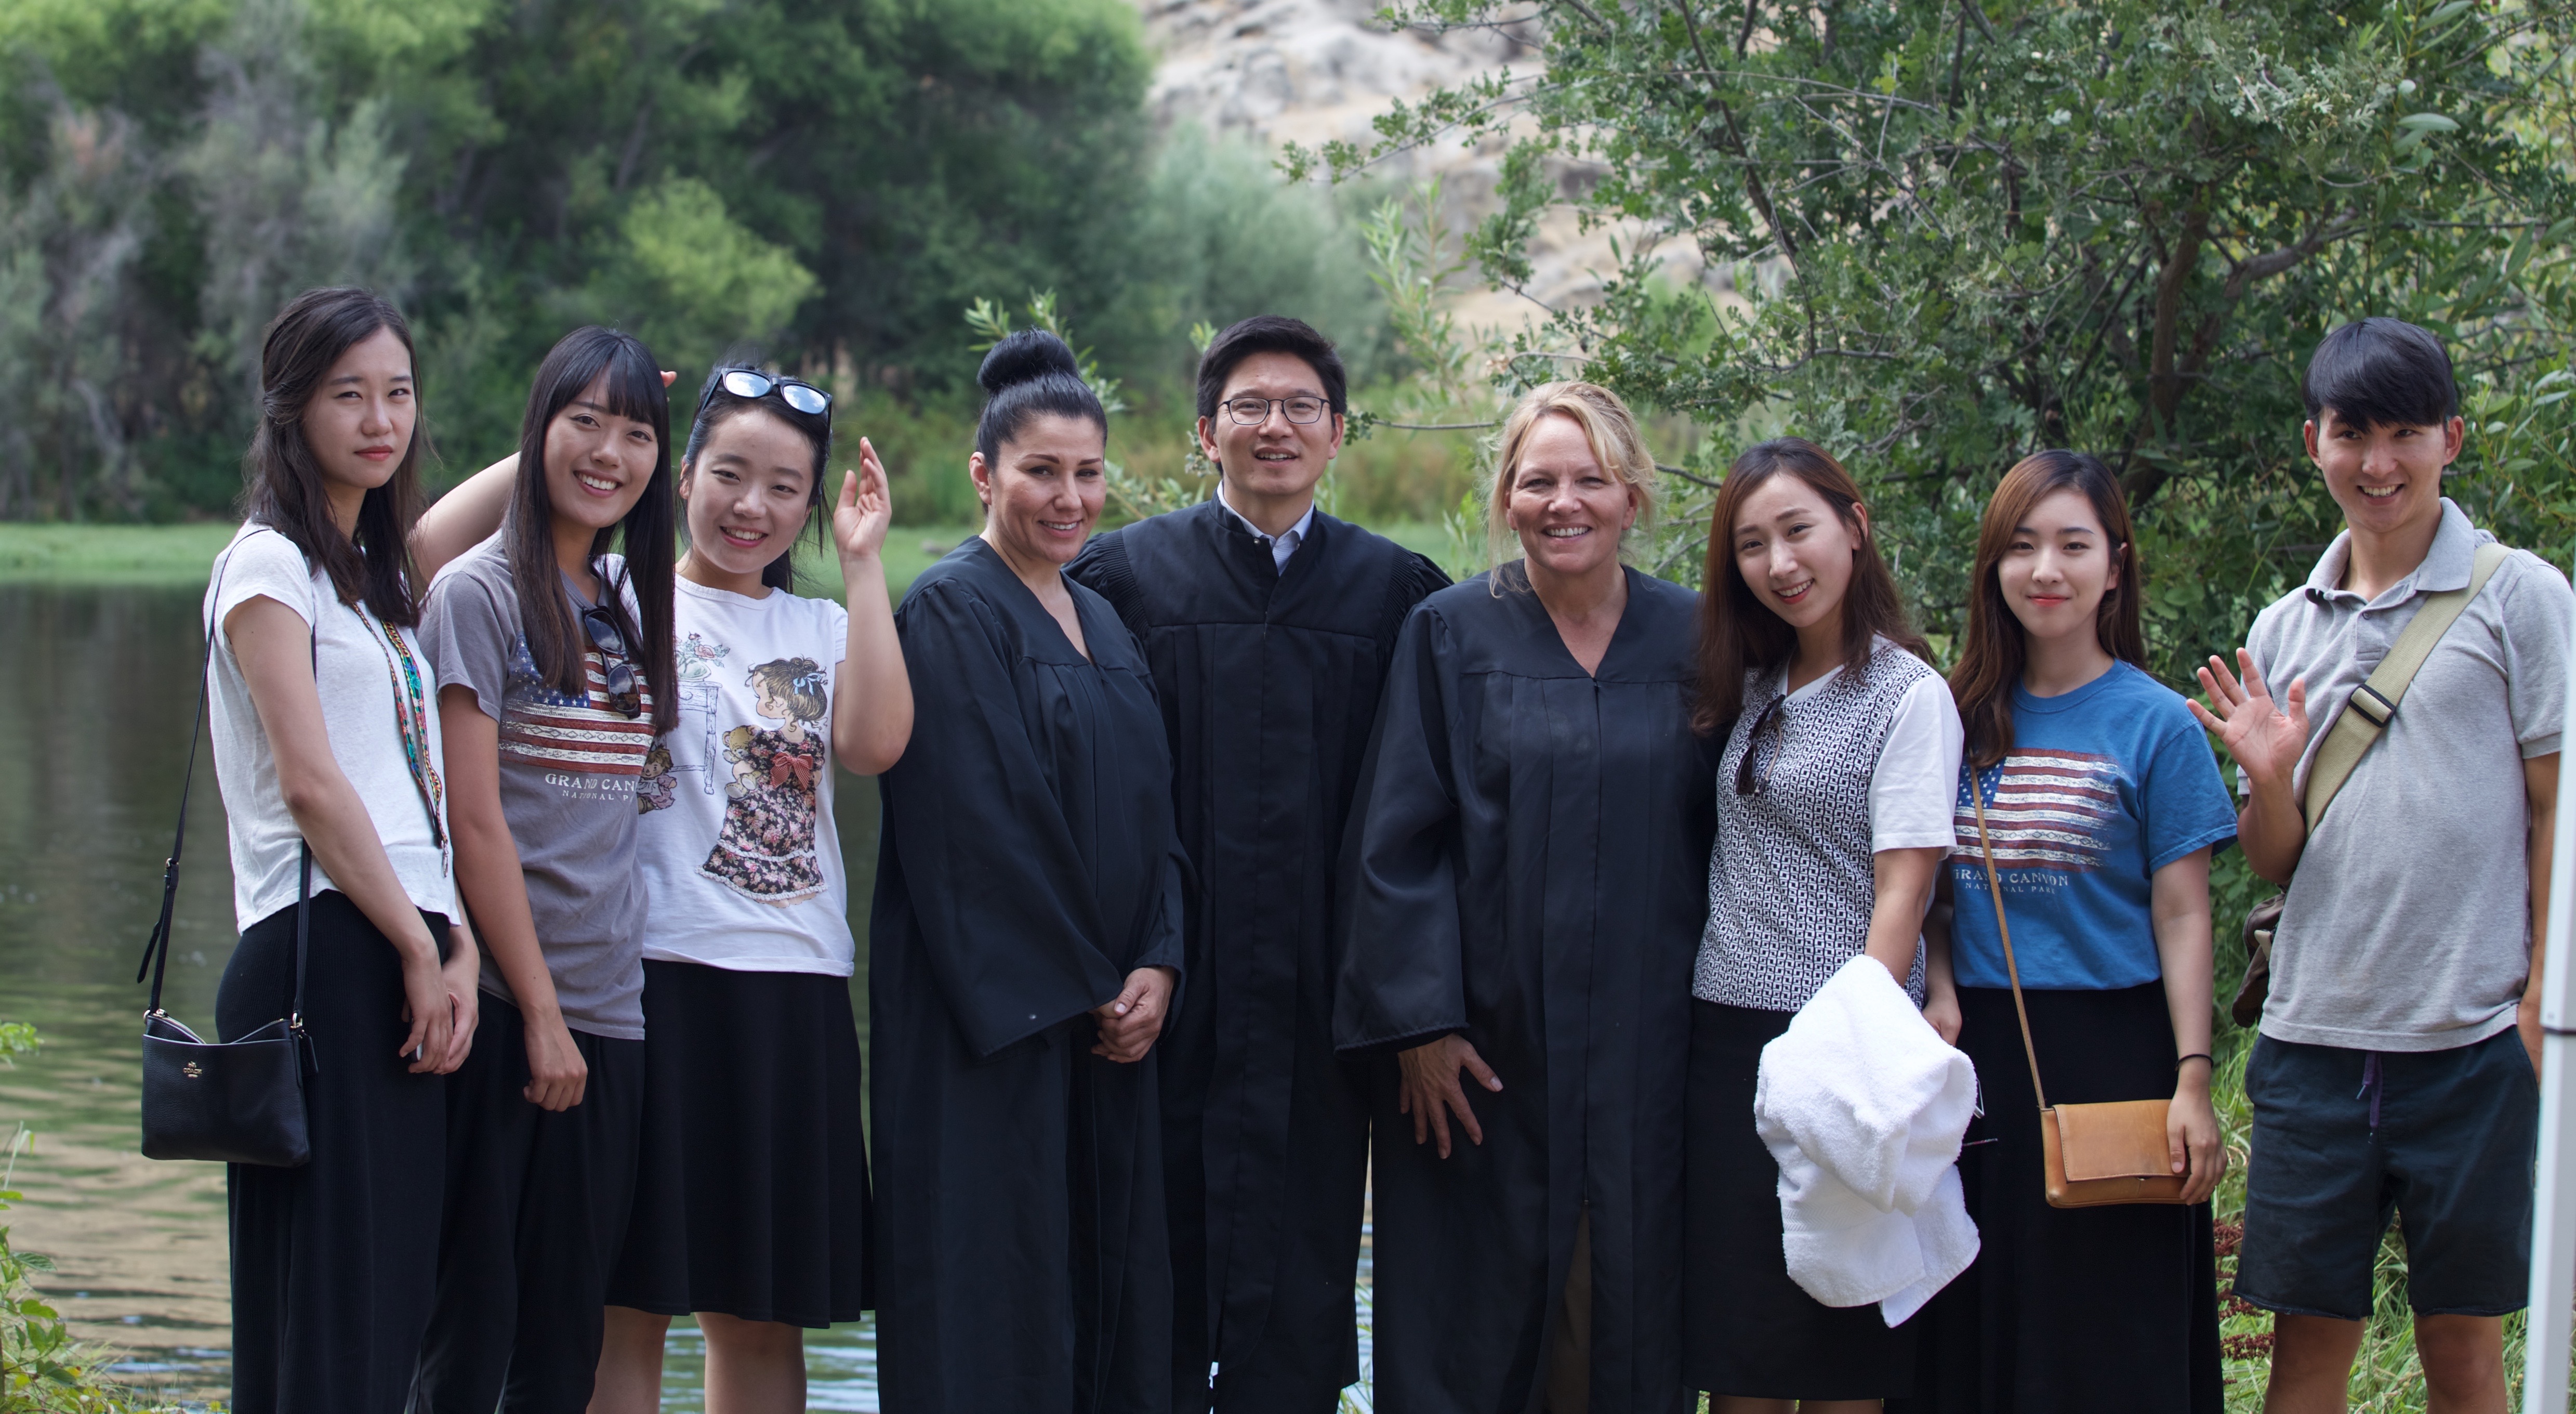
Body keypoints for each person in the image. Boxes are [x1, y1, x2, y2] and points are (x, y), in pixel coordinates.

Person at [415, 365, 914, 1411]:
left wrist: (866, 565)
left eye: (784, 488)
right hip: (643, 984)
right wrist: (588, 430)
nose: (750, 506)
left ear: (811, 508)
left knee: (761, 1315)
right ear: (679, 476)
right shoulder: (612, 592)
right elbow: (426, 551)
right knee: (621, 1301)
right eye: (727, 473)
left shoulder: (822, 626)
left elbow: (873, 745)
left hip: (792, 989)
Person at [1067, 315, 1447, 1412]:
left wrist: (1415, 1005)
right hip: (1161, 994)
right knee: (1142, 1304)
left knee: (1296, 1308)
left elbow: (1427, 819)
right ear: (1205, 432)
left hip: (1322, 1010)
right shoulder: (1122, 581)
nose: (1273, 427)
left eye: (1298, 408)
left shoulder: (1396, 596)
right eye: (1247, 407)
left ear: (1337, 433)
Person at [2194, 318, 2569, 1413]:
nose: (2378, 462)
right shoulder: (2282, 628)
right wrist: (2268, 779)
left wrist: (2539, 1005)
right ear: (2312, 441)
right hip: (2313, 1043)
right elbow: (2275, 860)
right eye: (2352, 433)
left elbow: (2557, 809)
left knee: (2463, 1346)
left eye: (2405, 432)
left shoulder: (2520, 597)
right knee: (2308, 1348)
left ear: (2451, 437)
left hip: (2471, 1040)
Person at [1335, 382, 1718, 1414]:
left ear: (1633, 496)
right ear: (1506, 499)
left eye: (1591, 479)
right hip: (1482, 1058)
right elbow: (1394, 843)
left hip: (1649, 1052)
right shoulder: (1449, 634)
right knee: (1472, 1321)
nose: (1564, 502)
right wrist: (1420, 1028)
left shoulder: (1697, 640)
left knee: (1622, 1313)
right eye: (1538, 480)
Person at [869, 330, 1186, 1412]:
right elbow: (977, 828)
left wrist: (1160, 960)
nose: (1069, 497)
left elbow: (1156, 813)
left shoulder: (1102, 619)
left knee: (1104, 1308)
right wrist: (1091, 983)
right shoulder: (950, 608)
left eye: (1088, 473)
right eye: (1040, 471)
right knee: (995, 1305)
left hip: (1106, 1024)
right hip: (994, 1031)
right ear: (983, 474)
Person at [1896, 451, 2231, 1412]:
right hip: (1975, 1058)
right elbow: (1932, 893)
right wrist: (1941, 985)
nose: (2045, 570)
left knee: (2107, 1334)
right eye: (2022, 546)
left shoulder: (2157, 724)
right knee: (1973, 1323)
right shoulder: (1951, 716)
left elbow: (2182, 912)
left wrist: (2193, 1079)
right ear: (1993, 567)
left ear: (2114, 568)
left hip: (2116, 1053)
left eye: (2072, 546)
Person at [203, 286, 481, 1414]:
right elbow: (312, 785)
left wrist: (581, 412)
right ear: (290, 407)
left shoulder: (373, 582)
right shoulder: (267, 567)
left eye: (399, 393)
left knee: (385, 1304)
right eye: (348, 395)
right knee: (324, 1315)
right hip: (321, 955)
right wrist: (418, 945)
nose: (380, 420)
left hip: (400, 946)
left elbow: (480, 509)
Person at [408, 325, 677, 1412]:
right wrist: (541, 1015)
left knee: (565, 1349)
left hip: (611, 1015)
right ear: (538, 430)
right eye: (584, 422)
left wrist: (581, 1018)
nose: (609, 452)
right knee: (466, 1339)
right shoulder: (475, 595)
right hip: (502, 1012)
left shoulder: (624, 601)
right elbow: (474, 825)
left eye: (636, 433)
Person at [1682, 438, 1962, 1412]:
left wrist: (1855, 1047)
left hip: (1834, 1047)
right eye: (1751, 545)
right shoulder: (1754, 686)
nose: (1780, 562)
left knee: (1843, 1341)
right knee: (1743, 1350)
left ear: (1854, 527)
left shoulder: (1907, 694)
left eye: (1797, 530)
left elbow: (1905, 889)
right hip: (1725, 1039)